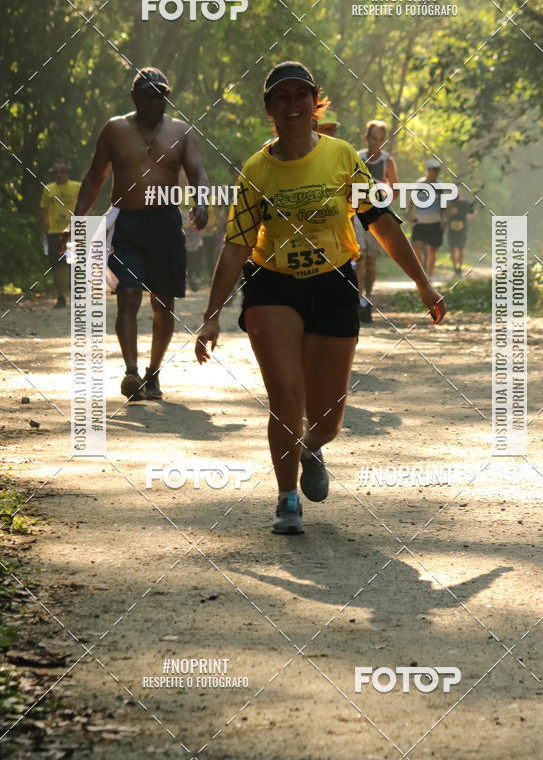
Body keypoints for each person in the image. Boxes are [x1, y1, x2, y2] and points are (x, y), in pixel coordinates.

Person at [195, 61, 446, 536]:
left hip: (332, 283)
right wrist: (211, 316)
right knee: (285, 395)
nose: (292, 105)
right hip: (272, 284)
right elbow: (236, 246)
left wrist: (422, 282)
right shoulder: (256, 171)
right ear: (269, 108)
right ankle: (286, 498)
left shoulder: (342, 156)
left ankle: (310, 447)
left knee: (328, 418)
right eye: (281, 97)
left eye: (300, 95)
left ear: (315, 102)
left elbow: (382, 222)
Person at [61, 67, 208, 401]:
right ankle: (131, 373)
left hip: (166, 224)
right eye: (148, 96)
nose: (156, 102)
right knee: (128, 295)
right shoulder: (115, 129)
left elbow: (198, 173)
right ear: (134, 97)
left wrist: (202, 203)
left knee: (163, 304)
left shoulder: (181, 131)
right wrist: (76, 222)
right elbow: (94, 177)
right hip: (127, 223)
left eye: (161, 96)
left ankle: (153, 374)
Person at [354, 120, 399, 322]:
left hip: (377, 213)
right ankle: (358, 301)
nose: (377, 143)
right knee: (360, 258)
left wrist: (384, 201)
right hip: (358, 213)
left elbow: (395, 188)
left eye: (381, 139)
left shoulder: (387, 161)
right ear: (366, 137)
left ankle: (368, 299)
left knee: (371, 261)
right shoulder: (358, 157)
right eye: (374, 138)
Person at [40, 160, 80, 308]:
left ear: (67, 172)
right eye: (56, 172)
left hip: (73, 231)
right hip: (54, 232)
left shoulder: (77, 186)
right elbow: (44, 211)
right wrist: (43, 231)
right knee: (57, 265)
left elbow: (85, 205)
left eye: (62, 171)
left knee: (75, 263)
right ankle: (61, 297)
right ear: (53, 174)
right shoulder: (48, 189)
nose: (59, 174)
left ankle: (78, 295)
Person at [409, 158, 446, 280]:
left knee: (432, 251)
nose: (436, 172)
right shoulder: (419, 184)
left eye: (437, 170)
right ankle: (421, 276)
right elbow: (411, 202)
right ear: (428, 170)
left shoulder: (440, 186)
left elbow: (444, 205)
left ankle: (429, 277)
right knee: (417, 248)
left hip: (435, 223)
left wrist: (444, 219)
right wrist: (410, 216)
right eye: (434, 169)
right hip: (420, 222)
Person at [446, 187, 476, 277]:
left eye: (458, 191)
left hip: (463, 229)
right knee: (452, 250)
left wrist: (470, 217)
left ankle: (459, 268)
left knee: (461, 249)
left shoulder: (466, 203)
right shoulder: (449, 203)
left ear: (461, 193)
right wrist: (450, 213)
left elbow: (473, 212)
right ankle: (455, 268)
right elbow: (443, 214)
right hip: (451, 230)